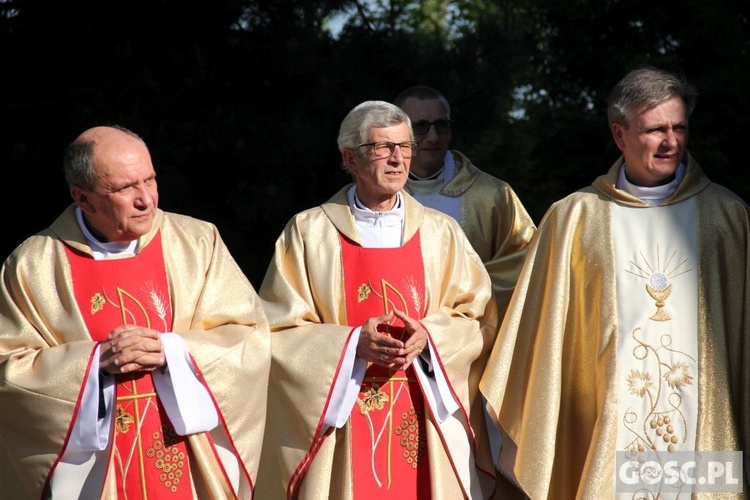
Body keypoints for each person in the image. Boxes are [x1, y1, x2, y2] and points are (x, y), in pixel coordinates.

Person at [480, 66, 750, 498]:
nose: (671, 142)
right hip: (603, 430)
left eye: (679, 128)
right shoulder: (575, 218)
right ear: (619, 135)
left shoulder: (726, 217)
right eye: (655, 129)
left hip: (705, 436)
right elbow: (540, 340)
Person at [0, 125, 271, 498]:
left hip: (187, 458)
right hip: (96, 474)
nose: (146, 199)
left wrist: (173, 352)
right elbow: (8, 372)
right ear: (83, 199)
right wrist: (93, 363)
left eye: (150, 180)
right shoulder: (34, 265)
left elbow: (251, 334)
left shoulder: (196, 242)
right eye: (126, 188)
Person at [255, 101, 499, 498]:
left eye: (405, 147)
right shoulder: (309, 232)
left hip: (424, 411)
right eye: (382, 148)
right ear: (350, 158)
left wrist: (430, 338)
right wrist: (352, 345)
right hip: (344, 418)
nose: (398, 159)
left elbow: (477, 317)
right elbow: (278, 329)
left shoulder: (441, 233)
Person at [393, 85, 536, 317]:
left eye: (441, 125)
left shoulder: (492, 195)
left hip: (472, 332)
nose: (433, 136)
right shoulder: (378, 198)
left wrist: (465, 300)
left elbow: (526, 264)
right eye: (420, 127)